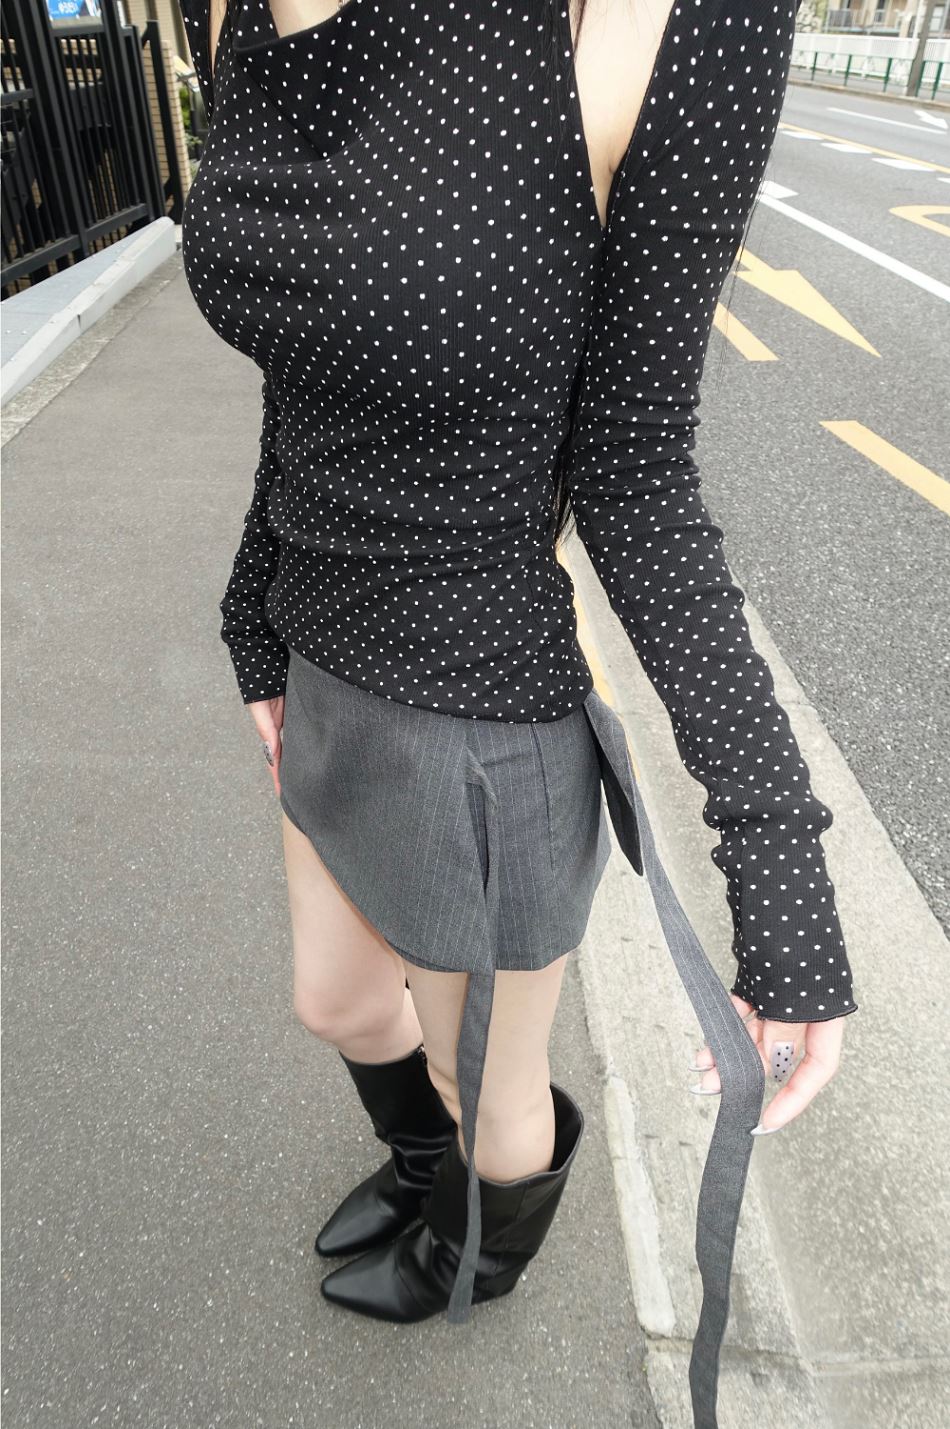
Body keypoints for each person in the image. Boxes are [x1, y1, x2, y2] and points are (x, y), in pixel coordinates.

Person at [177, 0, 859, 1421]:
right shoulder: (234, 15)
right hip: (318, 655)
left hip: (475, 722)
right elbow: (306, 364)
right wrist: (254, 618)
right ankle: (426, 1171)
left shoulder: (654, 19)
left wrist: (781, 880)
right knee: (335, 1000)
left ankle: (479, 1253)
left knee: (480, 1077)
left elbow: (636, 474)